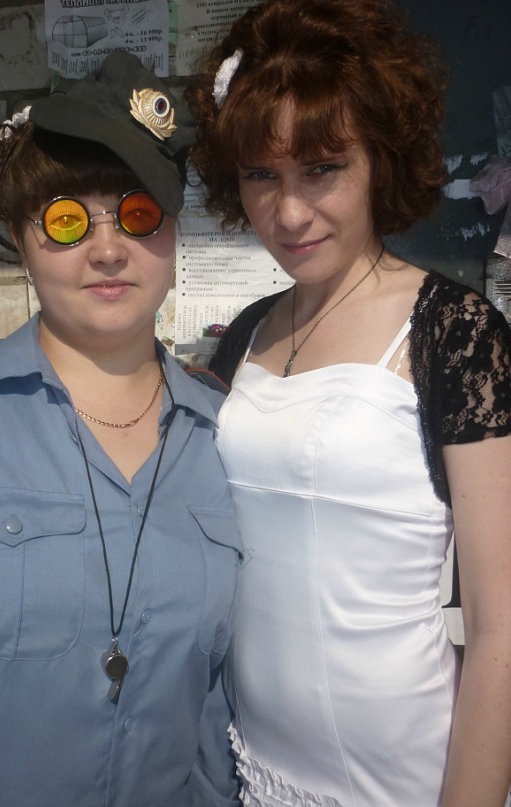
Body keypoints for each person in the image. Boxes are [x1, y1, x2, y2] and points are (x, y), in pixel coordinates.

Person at [185, 1, 511, 805]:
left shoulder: (453, 331)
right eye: (261, 175)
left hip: (405, 776)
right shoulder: (248, 331)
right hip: (250, 765)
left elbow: (501, 629)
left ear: (379, 161)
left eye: (321, 168)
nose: (289, 212)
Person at [0, 50, 242, 806]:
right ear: (21, 239)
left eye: (139, 213)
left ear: (173, 232)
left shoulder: (229, 438)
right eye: (65, 220)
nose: (108, 249)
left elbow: (225, 703)